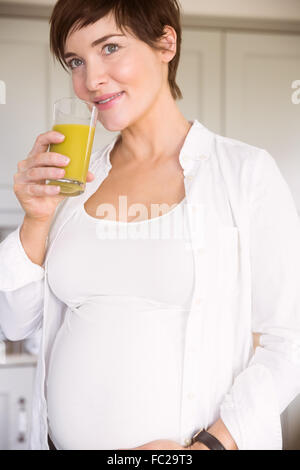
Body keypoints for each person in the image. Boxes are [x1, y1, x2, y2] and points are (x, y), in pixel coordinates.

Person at [0, 0, 300, 451]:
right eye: (76, 61)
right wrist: (36, 219)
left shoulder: (245, 173)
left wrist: (210, 448)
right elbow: (15, 322)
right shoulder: (73, 181)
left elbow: (288, 341)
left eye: (110, 47)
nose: (90, 80)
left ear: (166, 42)